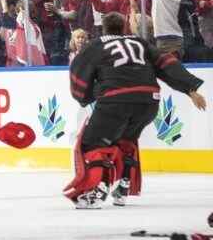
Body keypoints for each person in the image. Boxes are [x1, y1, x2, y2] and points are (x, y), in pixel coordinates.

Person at [66, 12, 207, 209]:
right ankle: (123, 188)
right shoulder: (140, 43)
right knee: (126, 141)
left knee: (92, 144)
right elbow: (167, 63)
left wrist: (85, 96)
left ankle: (97, 191)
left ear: (103, 29)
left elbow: (79, 71)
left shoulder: (97, 45)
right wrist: (190, 89)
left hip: (116, 100)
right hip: (148, 102)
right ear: (124, 27)